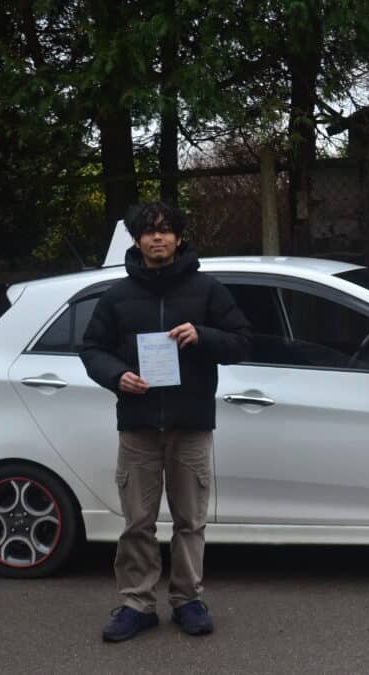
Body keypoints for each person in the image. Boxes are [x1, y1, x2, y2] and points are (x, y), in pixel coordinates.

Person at [81, 202, 251, 642]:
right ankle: (137, 603)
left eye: (166, 231)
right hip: (137, 425)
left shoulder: (208, 290)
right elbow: (92, 349)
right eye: (149, 232)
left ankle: (188, 600)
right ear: (137, 240)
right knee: (136, 521)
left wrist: (203, 335)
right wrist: (117, 376)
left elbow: (241, 341)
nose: (158, 238)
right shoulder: (117, 296)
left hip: (190, 424)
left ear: (179, 238)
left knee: (189, 520)